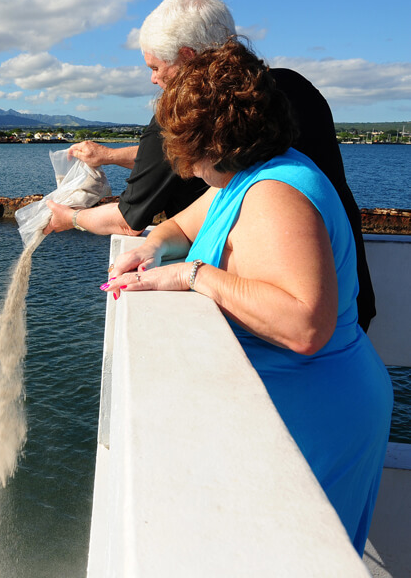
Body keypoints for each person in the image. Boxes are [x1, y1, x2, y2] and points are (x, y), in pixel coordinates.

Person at [101, 40, 392, 555]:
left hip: (318, 414)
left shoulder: (276, 194)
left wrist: (195, 276)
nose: (181, 166)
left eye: (180, 145)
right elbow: (182, 227)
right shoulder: (243, 176)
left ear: (208, 141)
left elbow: (305, 324)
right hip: (297, 407)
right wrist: (150, 244)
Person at [42, 0, 376, 331]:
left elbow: (130, 220)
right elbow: (178, 198)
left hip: (288, 326)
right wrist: (110, 157)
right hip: (353, 299)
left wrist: (74, 219)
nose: (154, 79)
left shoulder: (273, 189)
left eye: (156, 67)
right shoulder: (292, 92)